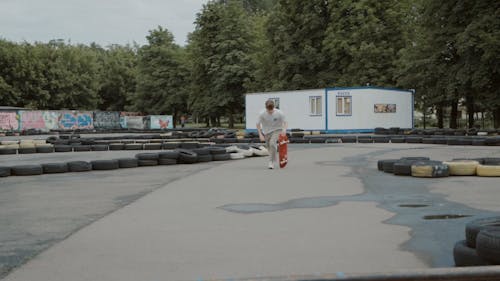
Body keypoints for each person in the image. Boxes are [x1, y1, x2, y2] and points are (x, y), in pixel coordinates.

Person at [256, 99, 287, 169]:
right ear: (266, 108)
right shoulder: (262, 113)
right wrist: (260, 134)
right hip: (266, 132)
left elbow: (285, 122)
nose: (270, 112)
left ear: (274, 107)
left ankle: (271, 162)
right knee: (269, 148)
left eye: (271, 110)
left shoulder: (279, 113)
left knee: (272, 143)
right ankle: (274, 154)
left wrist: (284, 130)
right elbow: (257, 124)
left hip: (277, 130)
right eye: (268, 110)